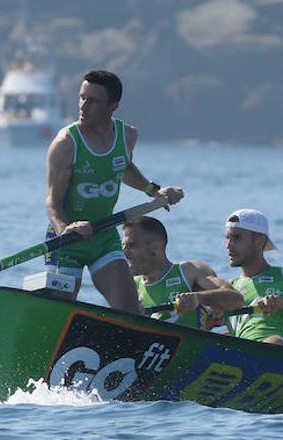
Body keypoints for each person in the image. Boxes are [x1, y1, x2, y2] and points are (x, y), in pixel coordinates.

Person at [44, 69, 184, 313]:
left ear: (113, 106)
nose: (83, 106)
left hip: (104, 236)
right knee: (58, 315)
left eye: (93, 101)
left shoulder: (128, 136)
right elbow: (53, 204)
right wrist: (66, 230)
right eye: (81, 98)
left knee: (131, 312)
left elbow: (123, 167)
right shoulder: (66, 144)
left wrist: (154, 191)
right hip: (67, 241)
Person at [122, 216, 243, 327]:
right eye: (123, 246)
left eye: (131, 245)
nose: (124, 252)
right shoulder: (132, 285)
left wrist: (198, 298)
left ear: (155, 247)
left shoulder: (189, 271)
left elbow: (237, 299)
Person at [224, 209, 283, 345]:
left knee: (274, 341)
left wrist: (281, 304)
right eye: (228, 238)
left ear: (260, 241)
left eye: (236, 238)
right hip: (240, 350)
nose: (228, 245)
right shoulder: (228, 288)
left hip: (279, 348)